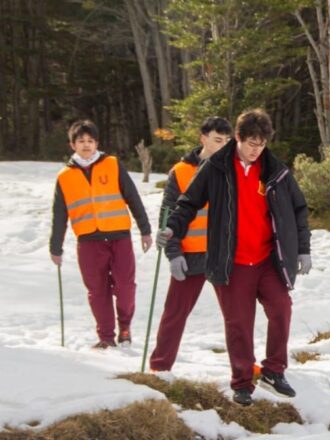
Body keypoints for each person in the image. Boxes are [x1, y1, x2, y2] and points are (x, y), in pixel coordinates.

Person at [156, 109, 311, 406]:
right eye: (251, 143)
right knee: (239, 323)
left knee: (281, 309)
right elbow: (188, 203)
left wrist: (303, 248)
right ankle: (242, 383)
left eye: (262, 144)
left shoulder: (275, 170)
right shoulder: (216, 167)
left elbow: (298, 209)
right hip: (232, 262)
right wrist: (172, 230)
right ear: (238, 138)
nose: (256, 150)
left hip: (268, 259)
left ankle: (274, 372)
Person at [49, 119, 153, 349]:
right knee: (97, 291)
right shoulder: (64, 177)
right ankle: (106, 337)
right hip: (88, 241)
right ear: (72, 144)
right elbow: (59, 215)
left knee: (125, 286)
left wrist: (145, 230)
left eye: (90, 141)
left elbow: (133, 197)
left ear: (97, 143)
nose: (86, 145)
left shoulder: (112, 164)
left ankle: (124, 326)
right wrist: (55, 247)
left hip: (119, 237)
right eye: (81, 141)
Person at [149, 117, 232, 372]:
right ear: (203, 138)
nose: (224, 146)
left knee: (237, 316)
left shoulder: (234, 171)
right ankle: (160, 369)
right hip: (190, 257)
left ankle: (243, 369)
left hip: (224, 256)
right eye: (219, 140)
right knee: (174, 314)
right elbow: (168, 216)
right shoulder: (181, 172)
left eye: (228, 142)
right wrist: (173, 254)